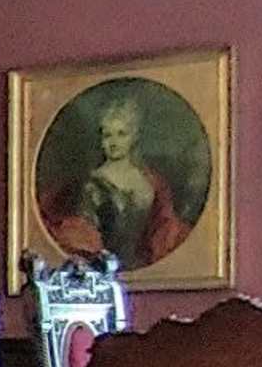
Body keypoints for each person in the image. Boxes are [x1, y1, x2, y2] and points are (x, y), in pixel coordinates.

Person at [48, 87, 191, 271]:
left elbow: (164, 230)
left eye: (121, 134)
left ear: (134, 136)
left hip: (143, 271)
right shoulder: (92, 184)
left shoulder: (152, 182)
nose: (113, 142)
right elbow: (83, 238)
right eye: (107, 135)